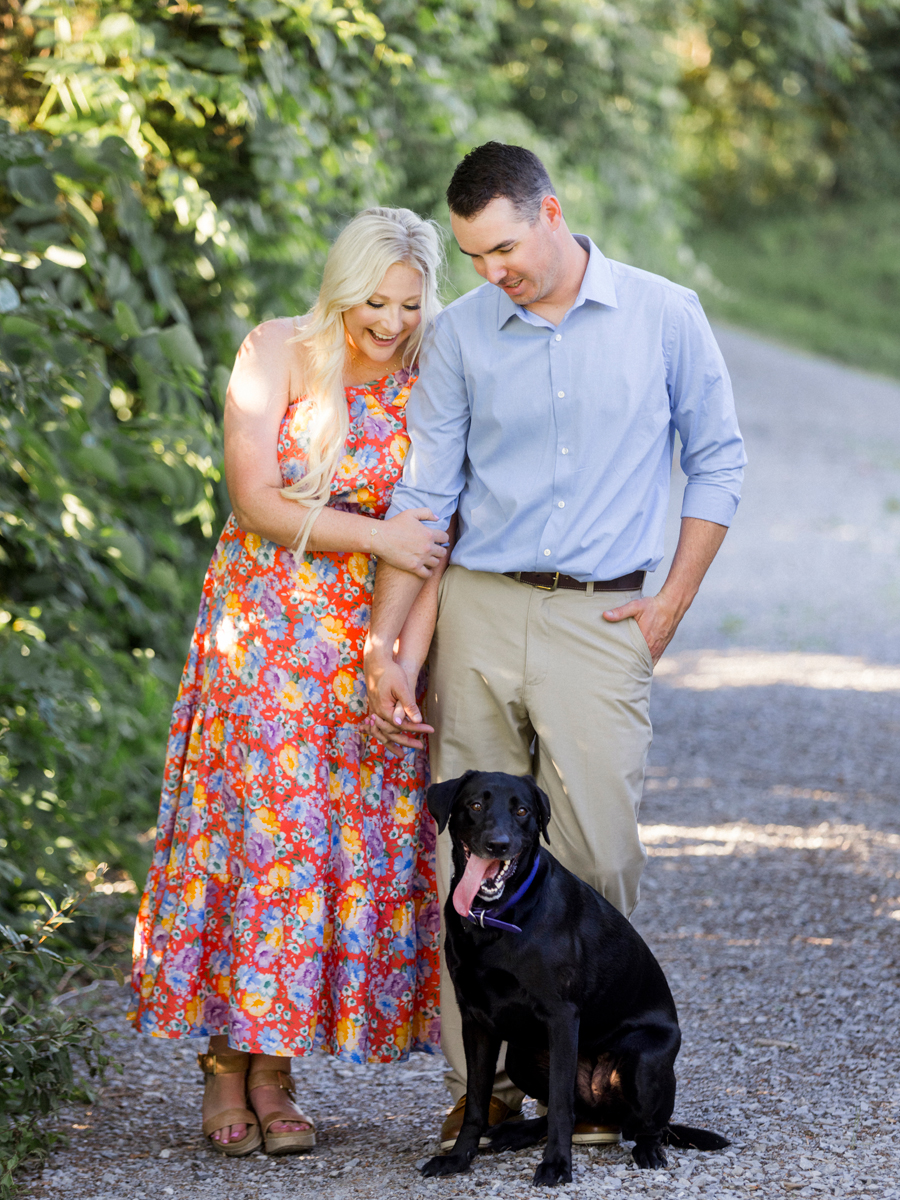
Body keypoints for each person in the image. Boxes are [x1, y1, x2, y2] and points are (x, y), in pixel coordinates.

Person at [363, 143, 746, 1147]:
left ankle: (581, 1080)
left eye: (502, 249)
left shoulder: (665, 315)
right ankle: (481, 1092)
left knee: (599, 851)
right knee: (472, 864)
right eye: (473, 257)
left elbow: (717, 463)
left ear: (551, 213)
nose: (492, 273)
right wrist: (387, 642)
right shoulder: (459, 335)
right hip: (480, 607)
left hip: (604, 617)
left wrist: (668, 606)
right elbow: (427, 493)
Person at [130, 207, 450, 1157]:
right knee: (259, 838)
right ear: (339, 287)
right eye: (372, 302)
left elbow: (434, 537)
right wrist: (378, 534)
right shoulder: (275, 350)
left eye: (408, 304)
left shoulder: (434, 376)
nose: (389, 324)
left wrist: (401, 661)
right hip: (266, 638)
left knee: (331, 851)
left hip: (374, 637)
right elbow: (256, 498)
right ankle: (228, 1067)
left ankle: (278, 1072)